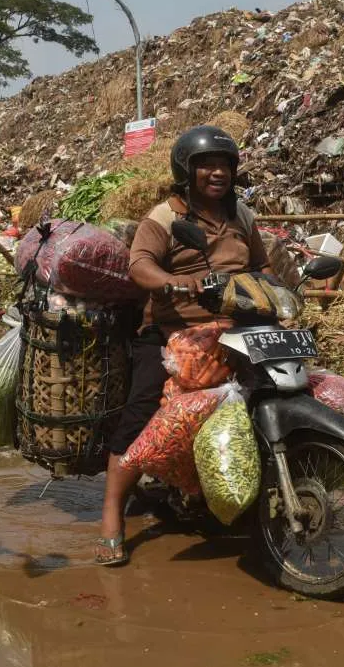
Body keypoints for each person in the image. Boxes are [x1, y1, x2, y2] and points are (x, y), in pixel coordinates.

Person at [96, 125, 272, 566]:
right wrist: (174, 283)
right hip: (171, 332)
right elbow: (140, 266)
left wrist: (281, 291)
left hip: (236, 326)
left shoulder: (241, 216)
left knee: (275, 391)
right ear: (186, 170)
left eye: (225, 164)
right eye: (206, 164)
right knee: (140, 414)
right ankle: (111, 517)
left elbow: (263, 265)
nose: (218, 172)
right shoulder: (166, 216)